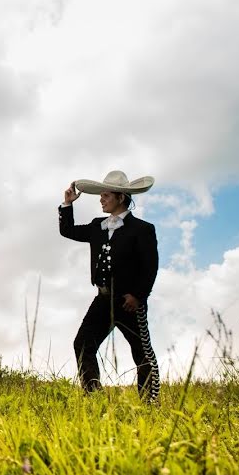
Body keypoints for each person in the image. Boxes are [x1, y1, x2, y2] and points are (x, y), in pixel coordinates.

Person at [58, 170, 160, 403]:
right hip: (102, 299)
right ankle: (93, 397)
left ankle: (150, 402)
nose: (101, 200)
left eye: (105, 195)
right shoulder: (97, 226)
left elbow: (150, 267)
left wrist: (138, 295)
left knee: (142, 353)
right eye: (101, 195)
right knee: (83, 344)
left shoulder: (142, 229)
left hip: (129, 301)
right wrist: (67, 204)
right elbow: (68, 230)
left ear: (120, 197)